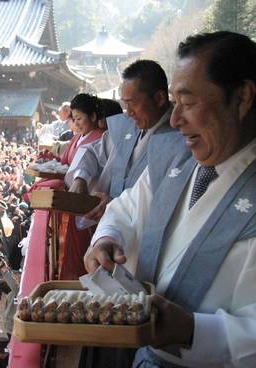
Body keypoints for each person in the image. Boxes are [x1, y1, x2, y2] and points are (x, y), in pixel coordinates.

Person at [84, 31, 256, 367]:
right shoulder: (175, 159)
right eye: (175, 104)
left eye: (188, 103)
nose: (175, 121)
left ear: (243, 97)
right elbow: (128, 207)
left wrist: (193, 331)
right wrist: (107, 238)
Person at [66, 60, 183, 222]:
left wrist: (116, 205)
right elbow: (93, 151)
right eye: (125, 104)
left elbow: (168, 201)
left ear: (159, 98)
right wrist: (81, 178)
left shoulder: (180, 138)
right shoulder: (127, 126)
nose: (128, 113)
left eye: (132, 103)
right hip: (110, 225)